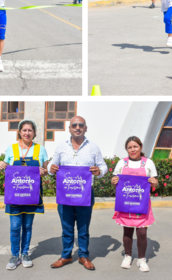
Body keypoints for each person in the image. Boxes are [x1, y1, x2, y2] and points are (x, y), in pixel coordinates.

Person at [49, 116, 107, 271]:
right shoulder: (61, 147)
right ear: (69, 128)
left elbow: (103, 166)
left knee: (83, 227)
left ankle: (83, 256)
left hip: (85, 194)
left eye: (81, 125)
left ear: (85, 128)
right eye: (74, 125)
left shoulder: (93, 147)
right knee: (66, 227)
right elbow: (51, 164)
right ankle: (66, 255)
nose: (77, 127)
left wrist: (99, 171)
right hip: (65, 195)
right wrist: (51, 168)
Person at [0, 120, 48, 270]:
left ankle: (25, 254)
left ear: (34, 132)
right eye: (24, 130)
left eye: (30, 130)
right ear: (19, 132)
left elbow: (45, 170)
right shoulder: (11, 148)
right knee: (14, 227)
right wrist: (1, 165)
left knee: (27, 225)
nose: (27, 133)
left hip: (31, 194)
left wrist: (44, 171)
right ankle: (14, 256)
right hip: (15, 193)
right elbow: (5, 166)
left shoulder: (41, 149)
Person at [110, 136, 159, 272]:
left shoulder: (148, 163)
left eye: (135, 146)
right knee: (127, 231)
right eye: (129, 147)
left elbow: (155, 181)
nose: (133, 150)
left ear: (141, 147)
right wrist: (113, 181)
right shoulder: (121, 163)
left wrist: (155, 183)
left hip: (142, 204)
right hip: (125, 203)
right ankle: (127, 256)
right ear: (126, 149)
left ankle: (141, 259)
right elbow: (115, 180)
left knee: (142, 233)